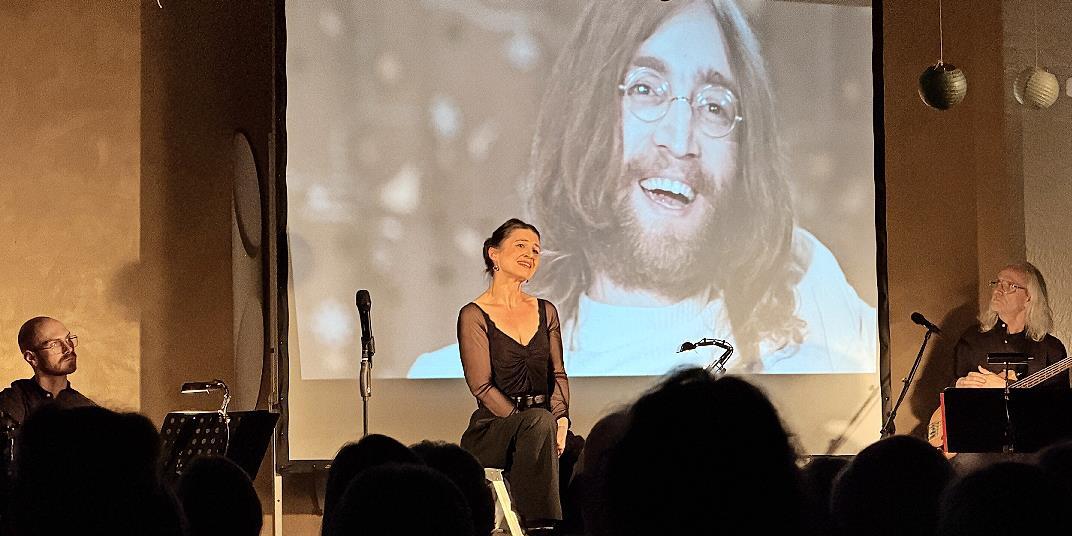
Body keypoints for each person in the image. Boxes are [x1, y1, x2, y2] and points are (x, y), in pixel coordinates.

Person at [410, 0, 875, 378]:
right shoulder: (457, 377)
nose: (680, 140)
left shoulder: (811, 291)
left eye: (713, 106)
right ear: (586, 113)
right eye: (645, 89)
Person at [455, 219, 570, 531]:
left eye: (535, 250)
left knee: (583, 451)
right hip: (494, 428)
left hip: (544, 424)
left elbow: (558, 373)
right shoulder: (474, 314)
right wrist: (530, 422)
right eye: (521, 245)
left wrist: (561, 421)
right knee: (538, 424)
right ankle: (540, 526)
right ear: (494, 253)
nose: (530, 255)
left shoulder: (546, 310)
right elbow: (481, 386)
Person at [951, 262, 1068, 389]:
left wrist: (1008, 387)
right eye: (997, 283)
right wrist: (958, 385)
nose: (997, 290)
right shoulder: (972, 339)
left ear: (1029, 297)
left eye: (1009, 285)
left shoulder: (1051, 349)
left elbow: (1059, 400)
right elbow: (946, 389)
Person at [0, 316, 95, 427]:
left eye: (68, 339)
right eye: (54, 344)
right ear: (31, 357)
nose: (69, 348)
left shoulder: (87, 408)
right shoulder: (10, 402)